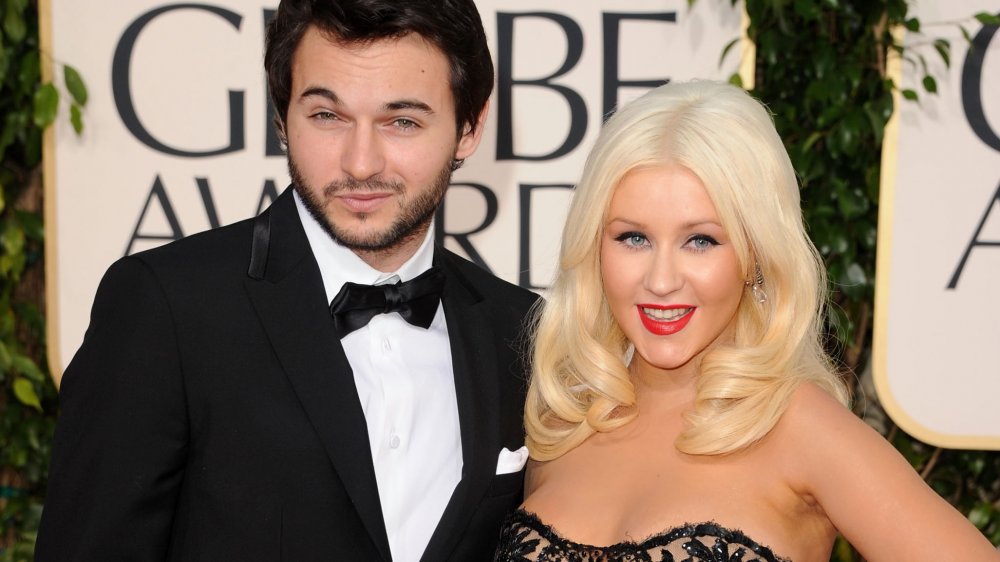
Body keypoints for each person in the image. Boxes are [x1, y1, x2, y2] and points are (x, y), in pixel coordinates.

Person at [36, 1, 538, 560]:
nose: (362, 162)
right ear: (282, 117)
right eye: (328, 116)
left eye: (402, 121)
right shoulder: (167, 309)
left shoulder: (521, 331)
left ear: (470, 127)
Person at [493, 81, 1000, 562]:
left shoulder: (802, 426)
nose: (662, 279)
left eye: (701, 241)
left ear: (755, 254)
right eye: (633, 238)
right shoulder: (565, 425)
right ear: (594, 247)